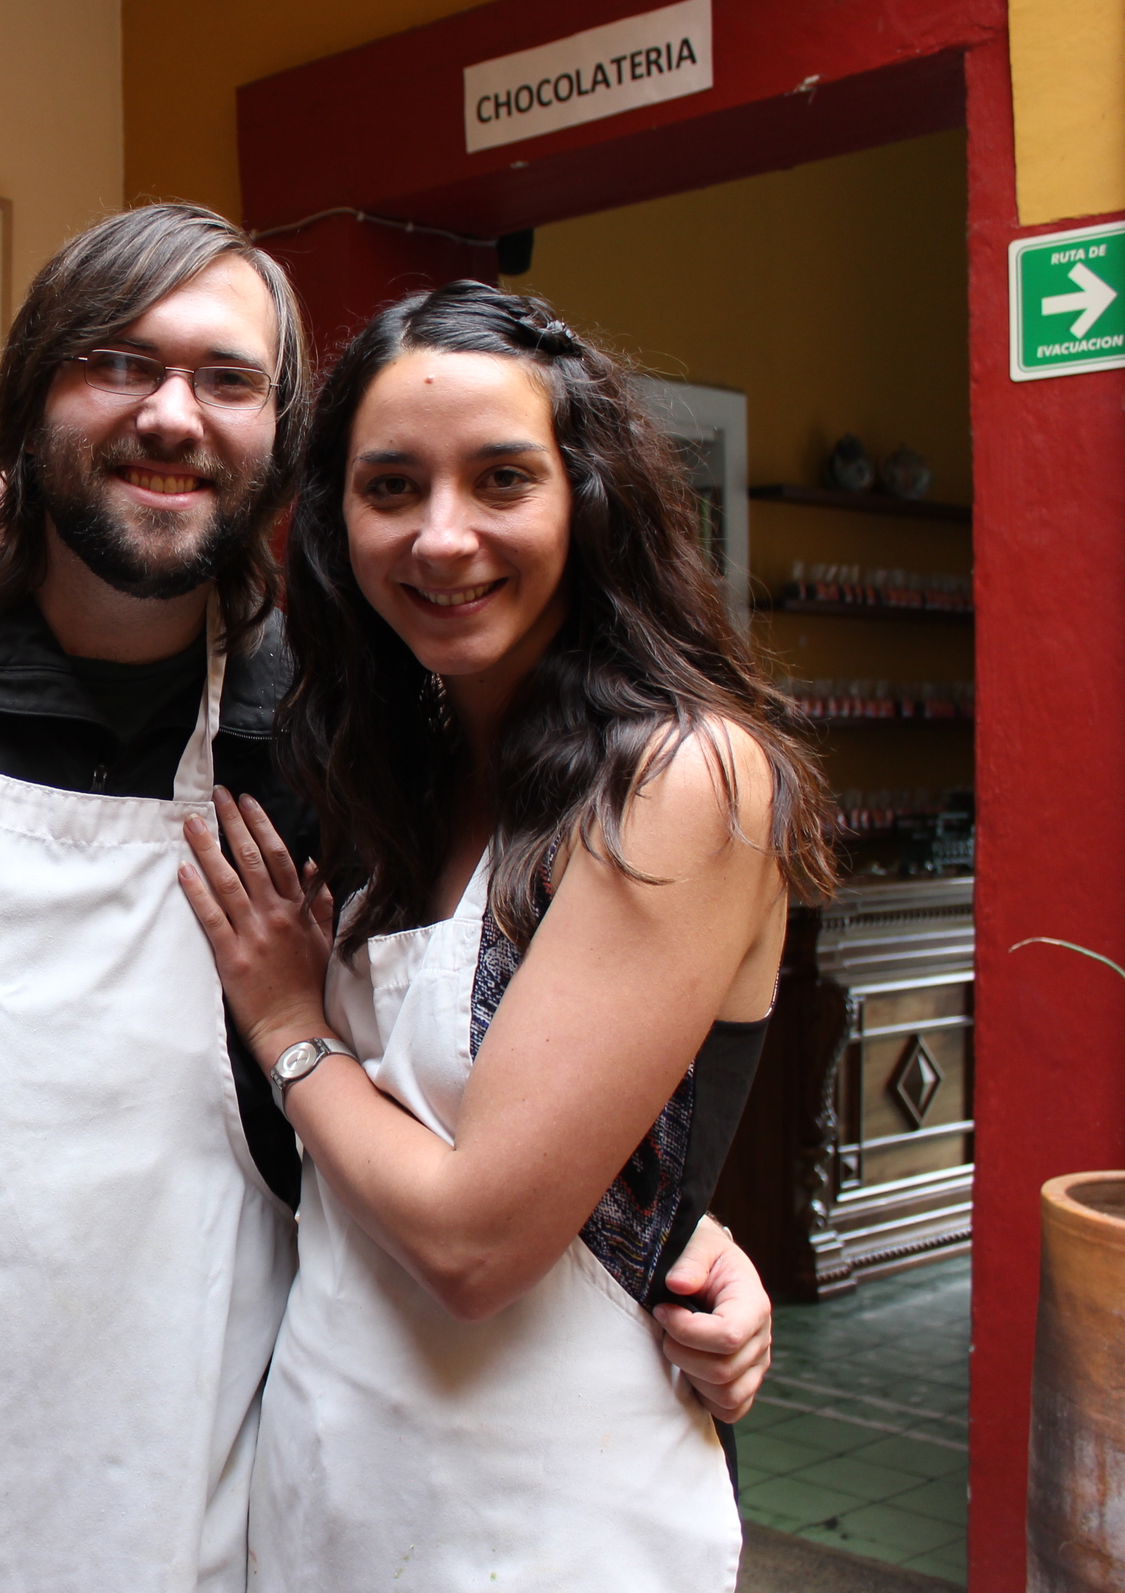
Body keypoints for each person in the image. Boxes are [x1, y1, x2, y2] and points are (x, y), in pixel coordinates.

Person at [0, 208, 771, 1592]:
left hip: (168, 1474)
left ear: (283, 454)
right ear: (35, 393)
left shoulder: (329, 728)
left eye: (226, 382)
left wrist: (676, 1224)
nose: (172, 416)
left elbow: (516, 1076)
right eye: (114, 365)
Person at [177, 282, 832, 1590]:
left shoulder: (683, 779)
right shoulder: (391, 767)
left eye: (501, 479)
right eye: (390, 488)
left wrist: (290, 1028)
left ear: (588, 499)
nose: (443, 538)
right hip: (334, 1470)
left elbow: (479, 1245)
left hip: (547, 1511)